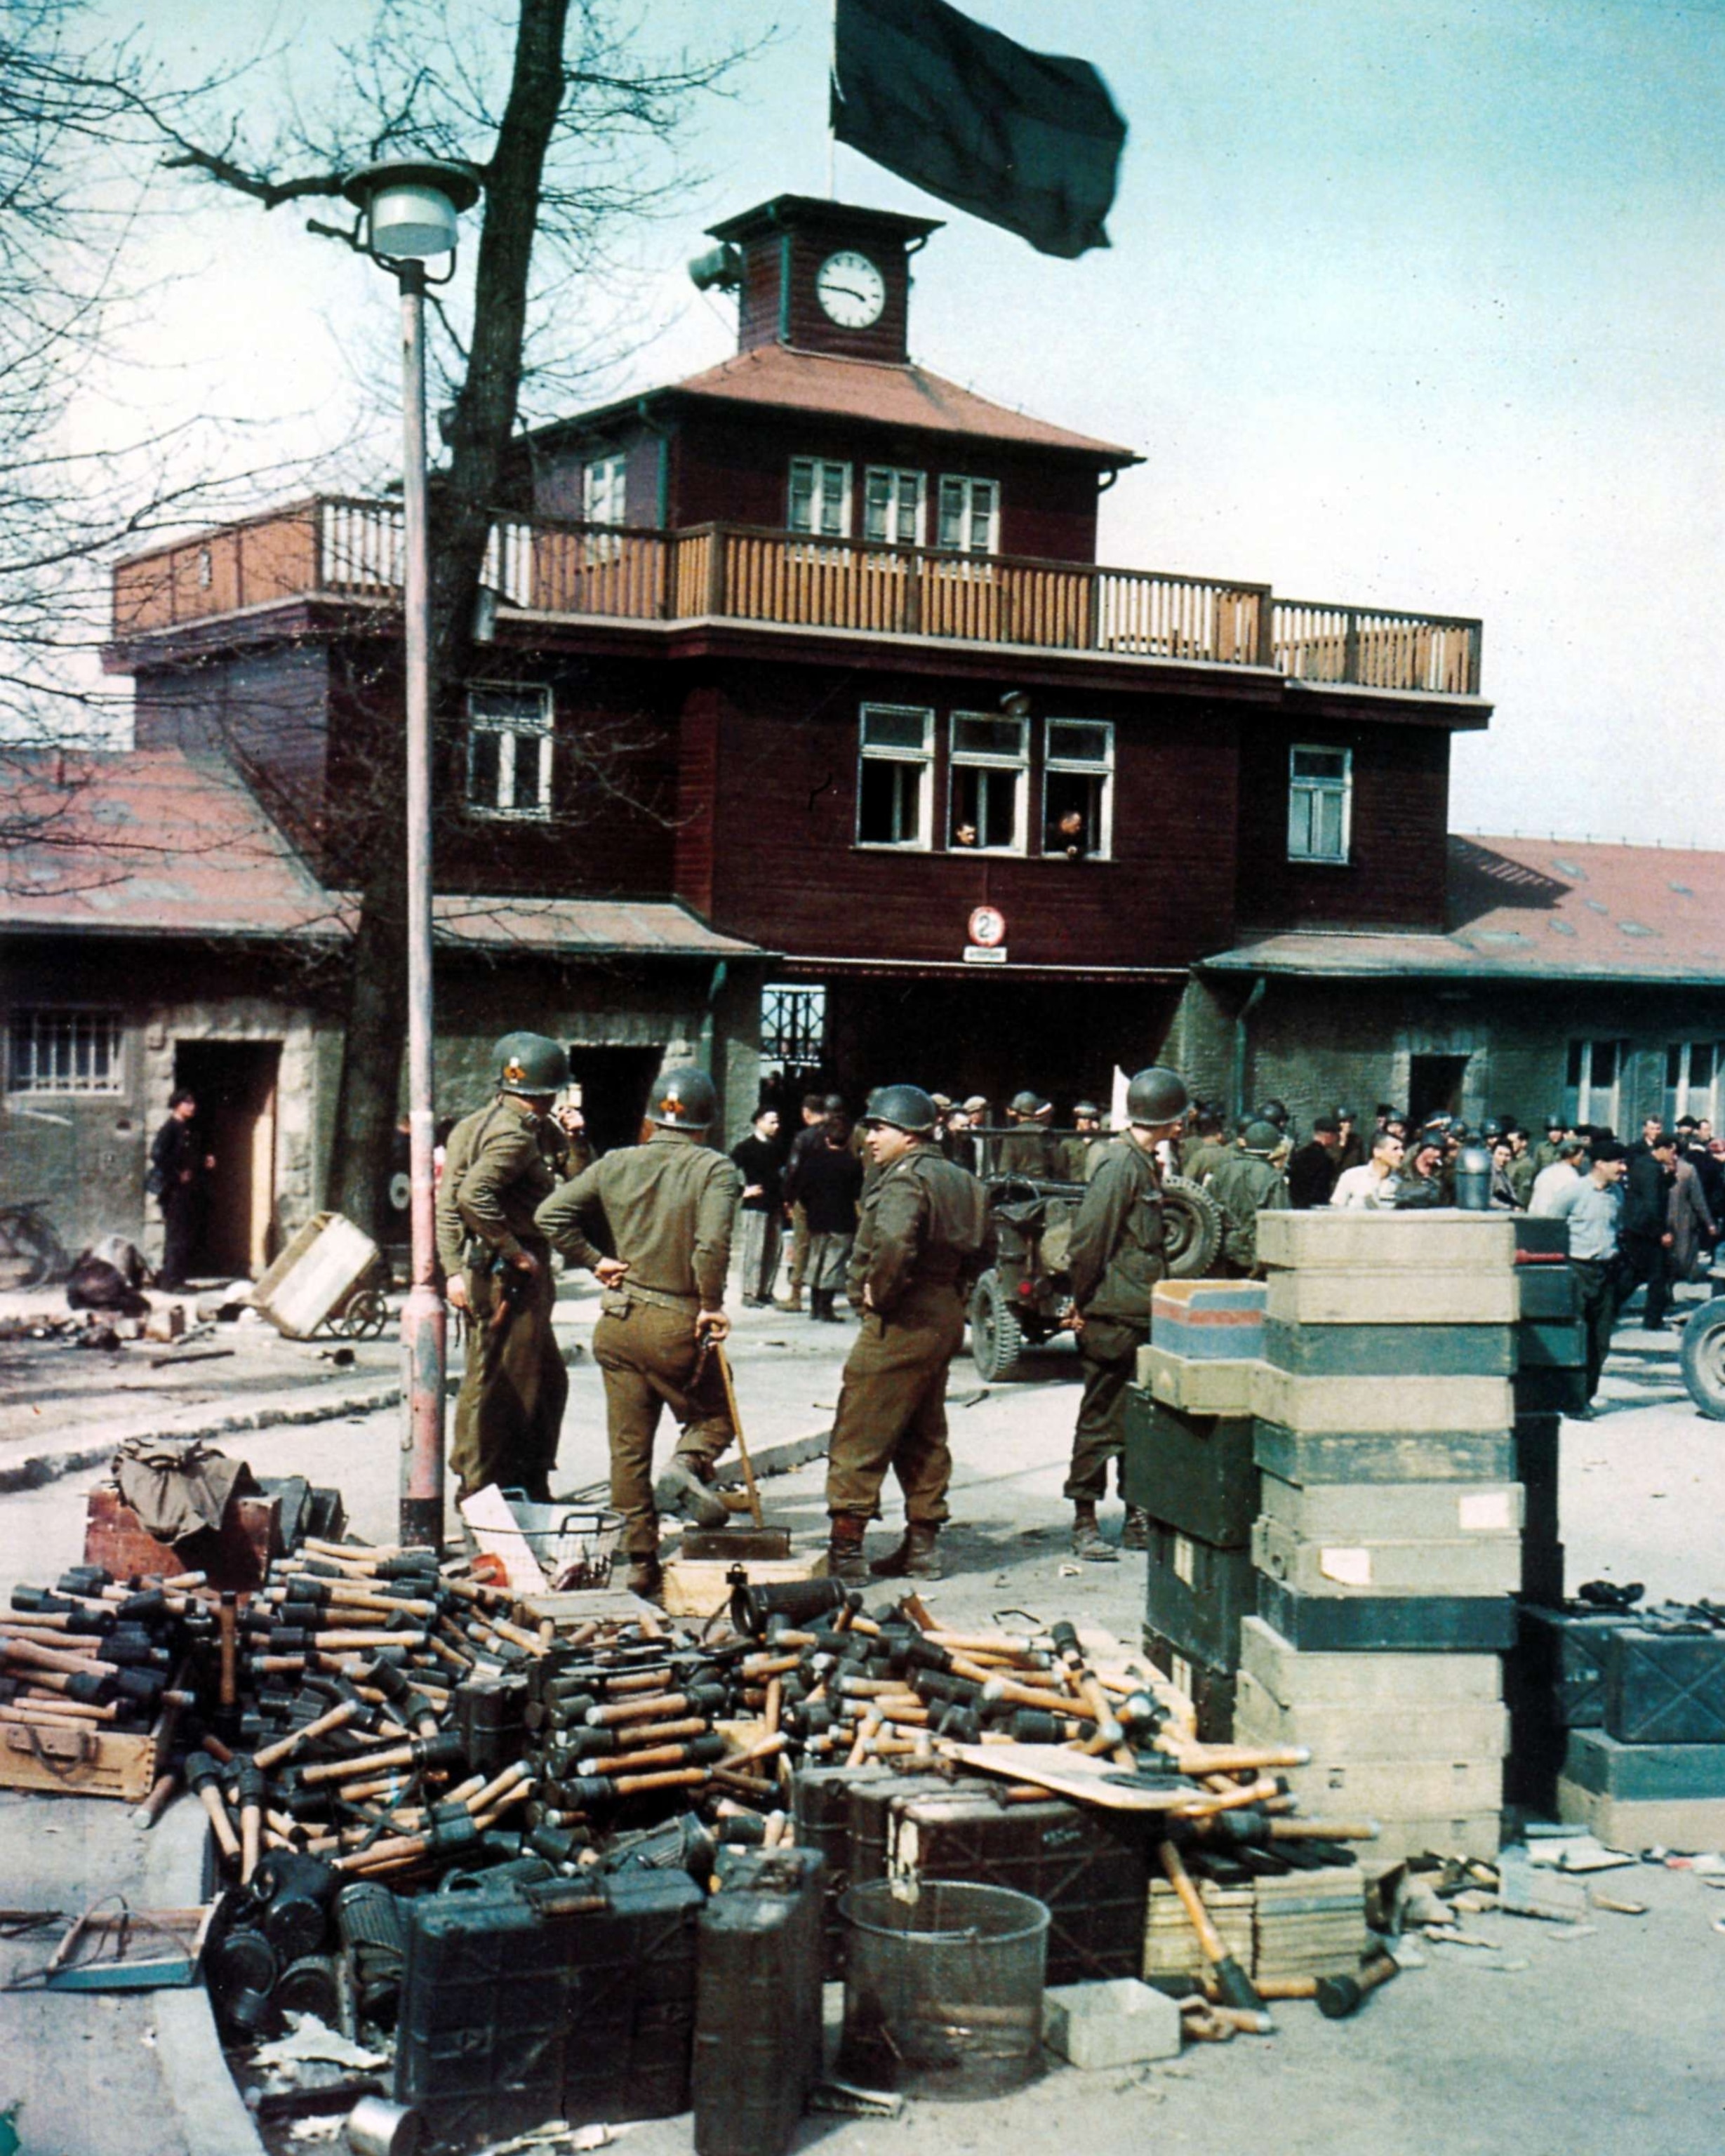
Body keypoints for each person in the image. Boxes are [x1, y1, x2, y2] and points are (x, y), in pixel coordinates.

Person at [536, 1064, 740, 1597]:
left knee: (627, 1449)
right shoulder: (715, 1169)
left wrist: (595, 1261)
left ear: (652, 1117)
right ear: (704, 1122)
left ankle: (641, 1563)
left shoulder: (616, 1163)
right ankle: (686, 1465)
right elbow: (711, 1245)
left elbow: (551, 1215)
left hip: (619, 1322)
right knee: (717, 1416)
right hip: (677, 1321)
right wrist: (712, 1305)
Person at [824, 1084, 992, 1585]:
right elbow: (986, 1248)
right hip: (943, 1312)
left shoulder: (904, 1180)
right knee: (923, 1431)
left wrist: (881, 1291)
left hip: (902, 1315)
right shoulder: (964, 1181)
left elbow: (894, 1241)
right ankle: (923, 1549)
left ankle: (847, 1552)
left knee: (861, 1427)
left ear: (910, 1134)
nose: (870, 1137)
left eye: (880, 1128)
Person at [435, 1032, 576, 1506]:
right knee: (501, 1384)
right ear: (547, 1090)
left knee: (543, 1378)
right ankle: (483, 1488)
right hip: (508, 1274)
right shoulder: (514, 1137)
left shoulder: (484, 1127)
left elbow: (576, 1172)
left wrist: (453, 1267)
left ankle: (524, 1474)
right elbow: (470, 1197)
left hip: (493, 1268)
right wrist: (513, 1250)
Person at [1065, 1065, 1189, 1562]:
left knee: (1140, 1421)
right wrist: (1081, 1299)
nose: (1183, 1124)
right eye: (1177, 1116)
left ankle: (1136, 1515)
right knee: (1100, 1420)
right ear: (1161, 1117)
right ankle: (1085, 1520)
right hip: (1113, 1318)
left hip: (1138, 1315)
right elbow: (1090, 1239)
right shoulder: (1120, 1166)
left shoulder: (1144, 1162)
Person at [786, 1108, 865, 1321]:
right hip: (842, 1219)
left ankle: (814, 1307)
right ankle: (825, 1308)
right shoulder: (853, 1164)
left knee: (816, 1261)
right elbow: (856, 1194)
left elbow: (802, 1190)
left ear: (827, 1137)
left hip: (817, 1219)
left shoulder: (813, 1161)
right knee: (834, 1264)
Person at [1567, 1139, 1627, 1407]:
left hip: (1607, 1271)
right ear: (1600, 1164)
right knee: (1579, 1337)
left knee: (1601, 1341)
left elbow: (1618, 1227)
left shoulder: (1617, 1194)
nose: (1623, 1168)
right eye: (1618, 1162)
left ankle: (1587, 1396)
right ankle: (1575, 1400)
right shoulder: (1574, 1192)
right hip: (1579, 1270)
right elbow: (1551, 1223)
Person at [149, 1089, 214, 1291]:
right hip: (174, 1191)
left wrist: (204, 1161)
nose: (192, 1107)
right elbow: (158, 1155)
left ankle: (176, 1279)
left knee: (183, 1235)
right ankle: (171, 1282)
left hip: (185, 1190)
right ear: (177, 1105)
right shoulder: (170, 1129)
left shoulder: (185, 1128)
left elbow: (188, 1155)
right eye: (188, 1103)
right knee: (176, 1236)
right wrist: (176, 1174)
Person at [1207, 1121, 1290, 1274]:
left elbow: (1207, 1207)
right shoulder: (1272, 1177)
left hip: (1223, 1252)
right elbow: (1280, 1220)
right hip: (1256, 1255)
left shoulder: (1223, 1171)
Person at [1619, 1129, 1679, 1331]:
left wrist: (1670, 1175)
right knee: (1656, 1275)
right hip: (1648, 1230)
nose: (1674, 1157)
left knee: (1637, 1272)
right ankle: (1653, 1319)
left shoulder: (1644, 1164)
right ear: (1663, 1149)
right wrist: (1662, 1232)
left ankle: (1609, 1308)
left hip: (1638, 1227)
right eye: (1673, 1152)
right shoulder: (1651, 1169)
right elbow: (1653, 1203)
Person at [778, 1091, 830, 1312]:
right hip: (830, 1198)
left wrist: (788, 1198)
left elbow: (793, 1170)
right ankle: (822, 1295)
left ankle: (796, 1295)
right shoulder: (838, 1135)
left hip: (805, 1199)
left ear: (806, 1113)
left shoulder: (803, 1138)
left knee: (802, 1246)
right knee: (825, 1246)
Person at [730, 1104, 785, 1307]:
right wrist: (743, 1191)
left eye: (777, 1122)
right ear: (759, 1122)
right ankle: (749, 1292)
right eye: (772, 1122)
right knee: (754, 1249)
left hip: (775, 1204)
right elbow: (727, 1171)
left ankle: (765, 1290)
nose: (776, 1126)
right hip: (755, 1205)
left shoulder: (777, 1147)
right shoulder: (746, 1147)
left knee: (773, 1249)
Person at [1670, 1138, 1716, 1289]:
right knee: (1684, 1254)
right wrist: (1709, 1222)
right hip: (1683, 1220)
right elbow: (1698, 1199)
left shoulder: (1684, 1170)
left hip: (1672, 1219)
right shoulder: (1687, 1170)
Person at [997, 1091, 1063, 1178]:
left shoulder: (1011, 1135)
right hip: (1045, 1186)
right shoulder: (1045, 1132)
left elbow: (1005, 1169)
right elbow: (1059, 1165)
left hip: (1019, 1187)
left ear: (1018, 1111)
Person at [1331, 1130, 1404, 1209]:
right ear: (1377, 1152)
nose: (1401, 1153)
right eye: (1395, 1149)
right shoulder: (1351, 1177)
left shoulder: (1401, 1184)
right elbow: (1336, 1208)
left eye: (1402, 1149)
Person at [1286, 1115, 1343, 1209]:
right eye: (1335, 1135)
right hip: (1315, 1208)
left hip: (1295, 1206)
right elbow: (1322, 1190)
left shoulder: (1298, 1156)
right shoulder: (1325, 1161)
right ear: (1328, 1136)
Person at [1529, 1138, 1588, 1218]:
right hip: (1555, 1221)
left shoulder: (1546, 1172)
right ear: (1572, 1155)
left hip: (1536, 1218)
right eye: (1581, 1155)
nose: (1582, 1159)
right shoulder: (1570, 1176)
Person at [1393, 1136, 1449, 1209]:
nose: (1438, 1154)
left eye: (1440, 1150)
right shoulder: (1403, 1170)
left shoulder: (1442, 1172)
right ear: (1423, 1149)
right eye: (1434, 1149)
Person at [1062, 1100, 1105, 1182]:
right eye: (1083, 1118)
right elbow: (1061, 1170)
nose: (1087, 1121)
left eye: (1091, 1118)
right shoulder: (1068, 1143)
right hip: (1072, 1187)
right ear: (1077, 1119)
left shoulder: (1099, 1143)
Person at [1334, 1107, 1366, 1173]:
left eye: (1350, 1121)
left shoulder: (1356, 1140)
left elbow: (1362, 1162)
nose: (1348, 1125)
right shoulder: (1331, 1140)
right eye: (1344, 1122)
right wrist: (1341, 1145)